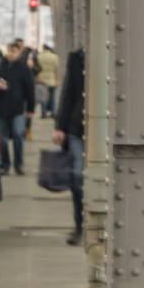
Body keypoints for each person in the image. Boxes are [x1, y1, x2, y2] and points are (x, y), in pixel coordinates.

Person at [53, 47, 87, 246]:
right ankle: (80, 226)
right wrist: (60, 127)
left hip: (109, 129)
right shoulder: (76, 57)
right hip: (77, 128)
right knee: (77, 176)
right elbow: (68, 93)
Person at [0, 41, 34, 174]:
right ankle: (5, 164)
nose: (11, 54)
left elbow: (29, 89)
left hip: (18, 108)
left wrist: (30, 109)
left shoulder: (24, 69)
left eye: (14, 51)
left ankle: (19, 164)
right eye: (9, 51)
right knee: (3, 140)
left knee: (19, 135)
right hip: (1, 108)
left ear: (19, 53)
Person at [36, 44, 61, 118]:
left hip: (42, 80)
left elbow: (36, 69)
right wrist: (57, 79)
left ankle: (44, 113)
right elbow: (57, 69)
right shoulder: (54, 57)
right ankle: (53, 113)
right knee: (52, 97)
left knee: (43, 98)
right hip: (52, 79)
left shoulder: (39, 57)